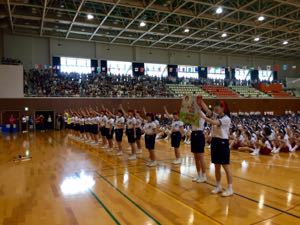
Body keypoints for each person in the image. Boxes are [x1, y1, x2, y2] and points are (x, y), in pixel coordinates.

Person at [199, 99, 234, 197]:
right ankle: (218, 186)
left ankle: (230, 188)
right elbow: (208, 111)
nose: (216, 107)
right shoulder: (216, 115)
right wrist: (201, 102)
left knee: (226, 167)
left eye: (219, 106)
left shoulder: (226, 118)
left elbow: (214, 122)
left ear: (223, 108)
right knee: (216, 166)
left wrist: (204, 118)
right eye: (216, 106)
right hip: (215, 142)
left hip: (223, 142)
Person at [191, 96, 207, 183]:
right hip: (193, 134)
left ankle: (204, 176)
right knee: (195, 157)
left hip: (199, 134)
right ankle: (199, 174)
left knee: (201, 157)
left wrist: (199, 101)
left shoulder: (202, 114)